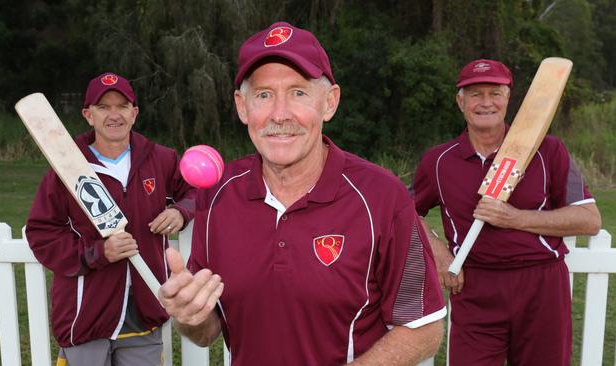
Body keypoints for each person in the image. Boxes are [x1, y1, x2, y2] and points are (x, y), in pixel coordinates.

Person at [157, 21, 446, 365]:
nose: (280, 115)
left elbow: (424, 328)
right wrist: (190, 316)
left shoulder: (383, 197)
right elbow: (208, 330)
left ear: (329, 102)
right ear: (242, 106)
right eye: (264, 95)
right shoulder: (218, 196)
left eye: (298, 92)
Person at [412, 59, 602, 365]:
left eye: (495, 93)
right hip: (475, 286)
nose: (486, 102)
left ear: (508, 99)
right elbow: (405, 213)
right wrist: (439, 254)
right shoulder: (439, 160)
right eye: (475, 94)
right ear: (460, 101)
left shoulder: (549, 150)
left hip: (541, 283)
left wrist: (515, 217)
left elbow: (590, 219)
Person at [26, 72, 196, 366]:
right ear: (88, 115)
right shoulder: (66, 166)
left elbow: (196, 193)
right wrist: (99, 253)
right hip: (87, 316)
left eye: (122, 105)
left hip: (144, 311)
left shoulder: (161, 159)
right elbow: (42, 233)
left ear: (134, 113)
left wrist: (180, 211)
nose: (114, 114)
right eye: (103, 107)